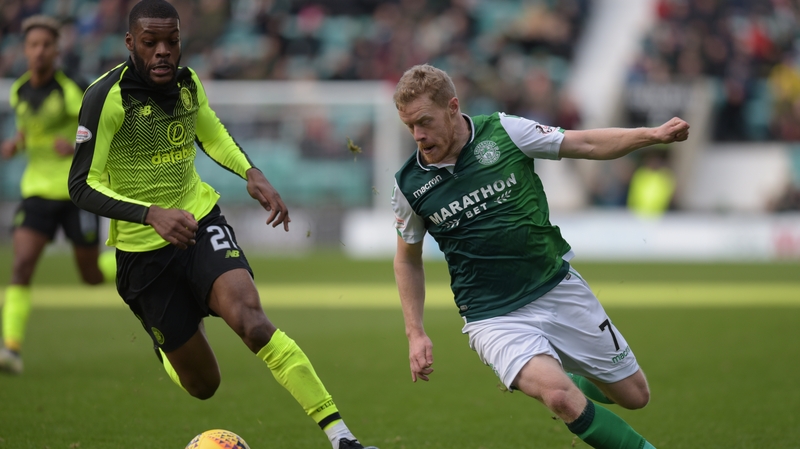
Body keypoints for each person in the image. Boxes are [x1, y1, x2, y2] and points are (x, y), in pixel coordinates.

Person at [67, 2, 376, 449]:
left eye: (171, 42)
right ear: (130, 43)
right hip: (142, 252)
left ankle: (342, 437)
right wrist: (150, 214)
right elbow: (81, 185)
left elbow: (211, 133)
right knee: (203, 385)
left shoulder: (188, 84)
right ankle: (169, 342)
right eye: (150, 43)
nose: (162, 53)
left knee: (252, 323)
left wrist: (251, 173)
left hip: (198, 222)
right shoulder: (106, 97)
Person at [391, 64, 690, 449]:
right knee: (560, 397)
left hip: (555, 286)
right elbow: (407, 259)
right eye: (409, 127)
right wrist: (415, 333)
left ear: (452, 107)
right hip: (491, 315)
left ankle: (574, 369)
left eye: (424, 122)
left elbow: (584, 144)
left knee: (635, 396)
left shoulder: (504, 131)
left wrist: (651, 135)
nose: (418, 136)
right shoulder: (409, 184)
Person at [0, 15, 116, 375]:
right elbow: (28, 130)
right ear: (25, 49)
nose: (38, 52)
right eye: (32, 45)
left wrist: (78, 145)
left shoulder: (72, 89)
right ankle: (11, 349)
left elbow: (100, 128)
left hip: (76, 192)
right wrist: (17, 144)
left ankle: (130, 257)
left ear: (56, 50)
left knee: (92, 275)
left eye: (45, 46)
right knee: (20, 267)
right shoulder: (19, 91)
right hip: (36, 191)